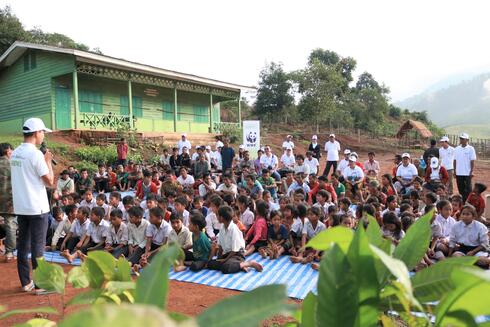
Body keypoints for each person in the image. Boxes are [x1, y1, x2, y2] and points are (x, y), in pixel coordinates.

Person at [10, 118, 54, 292]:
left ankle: (26, 283)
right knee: (38, 246)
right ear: (36, 133)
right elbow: (49, 181)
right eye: (43, 132)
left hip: (22, 206)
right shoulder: (36, 154)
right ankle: (41, 285)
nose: (43, 135)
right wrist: (48, 161)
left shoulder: (16, 153)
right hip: (37, 207)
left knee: (23, 245)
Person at [207, 205, 263, 273]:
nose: (216, 217)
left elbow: (234, 250)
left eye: (217, 215)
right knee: (210, 264)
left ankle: (249, 263)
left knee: (225, 268)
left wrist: (224, 260)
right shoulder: (222, 227)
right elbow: (220, 246)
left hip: (237, 255)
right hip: (227, 254)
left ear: (221, 218)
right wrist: (219, 258)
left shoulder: (234, 229)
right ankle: (239, 266)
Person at [0, 142, 16, 262]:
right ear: (7, 151)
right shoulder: (13, 164)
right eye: (11, 150)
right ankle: (9, 253)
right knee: (9, 224)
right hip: (8, 200)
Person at [453, 133, 476, 202]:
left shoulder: (471, 149)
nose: (461, 140)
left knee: (468, 189)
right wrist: (455, 171)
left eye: (463, 139)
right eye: (460, 138)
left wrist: (471, 171)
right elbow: (455, 160)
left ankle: (470, 202)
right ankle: (463, 202)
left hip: (467, 173)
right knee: (461, 188)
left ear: (467, 140)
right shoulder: (456, 149)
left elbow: (472, 161)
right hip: (459, 172)